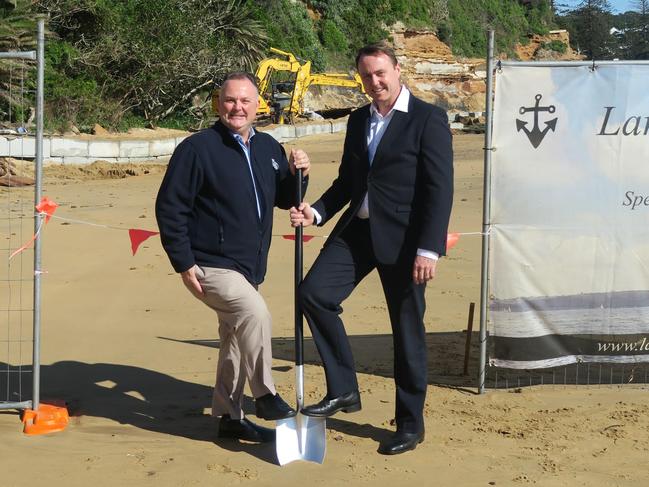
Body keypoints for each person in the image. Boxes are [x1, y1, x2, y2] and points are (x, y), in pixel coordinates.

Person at [289, 43, 453, 455]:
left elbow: (440, 190)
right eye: (366, 76)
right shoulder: (359, 118)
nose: (374, 82)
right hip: (357, 232)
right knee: (314, 294)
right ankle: (344, 389)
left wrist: (429, 249)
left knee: (406, 332)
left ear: (398, 70)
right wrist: (318, 212)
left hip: (406, 242)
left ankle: (410, 424)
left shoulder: (428, 118)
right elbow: (349, 180)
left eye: (381, 73)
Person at [156, 72, 310, 443]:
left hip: (250, 265)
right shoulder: (197, 149)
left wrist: (298, 172)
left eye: (245, 101)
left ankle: (229, 416)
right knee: (254, 313)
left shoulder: (268, 148)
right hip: (208, 262)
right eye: (229, 100)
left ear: (257, 105)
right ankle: (266, 394)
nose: (237, 108)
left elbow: (286, 198)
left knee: (236, 337)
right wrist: (183, 261)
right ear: (218, 103)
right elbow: (170, 207)